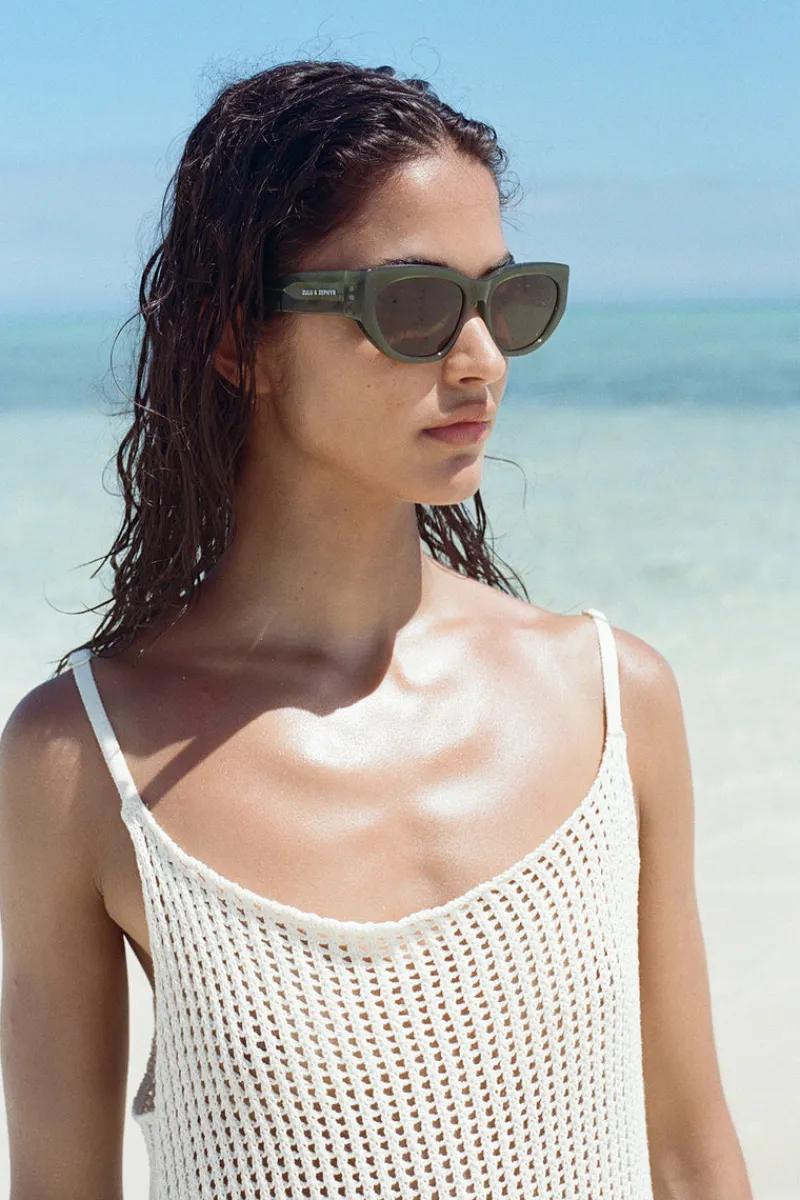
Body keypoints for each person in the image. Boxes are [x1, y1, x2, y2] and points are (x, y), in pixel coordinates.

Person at [0, 59, 751, 1200]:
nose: (481, 360)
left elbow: (692, 1160)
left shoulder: (613, 702)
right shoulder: (79, 764)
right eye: (412, 307)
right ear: (234, 341)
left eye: (506, 301)